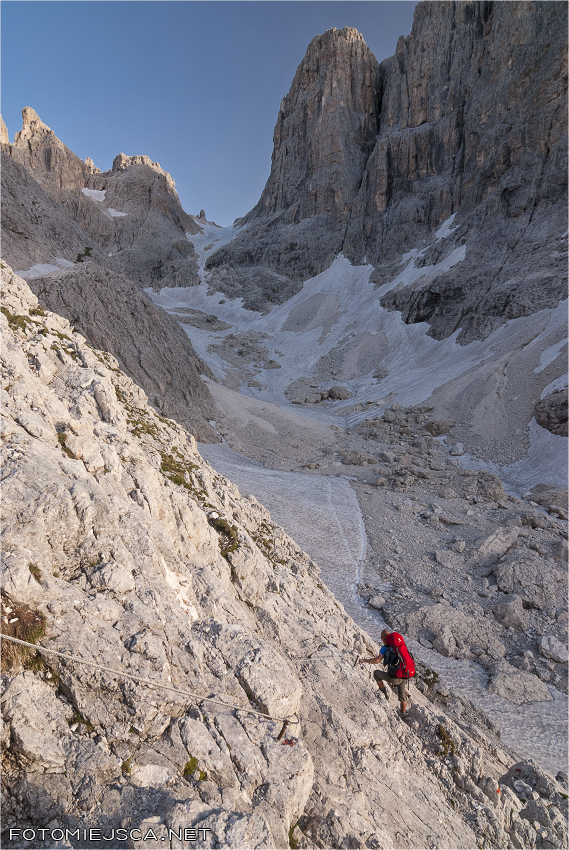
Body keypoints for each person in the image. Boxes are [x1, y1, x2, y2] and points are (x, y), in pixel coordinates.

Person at [358, 629, 415, 716]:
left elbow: (377, 660)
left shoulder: (385, 648)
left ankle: (383, 694)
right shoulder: (399, 646)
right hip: (404, 674)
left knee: (376, 673)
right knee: (402, 697)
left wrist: (364, 660)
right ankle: (402, 713)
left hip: (394, 677)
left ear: (382, 638)